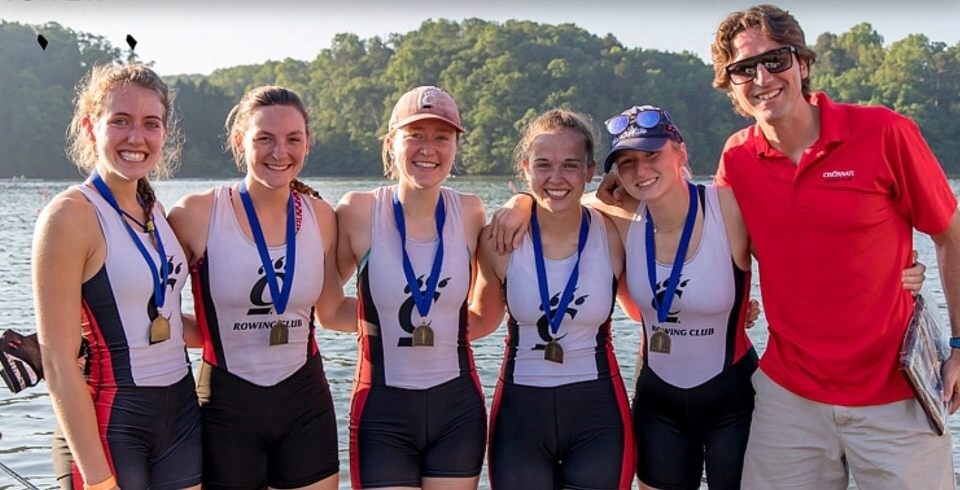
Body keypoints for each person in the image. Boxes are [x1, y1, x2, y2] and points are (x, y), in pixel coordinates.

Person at [709, 5, 960, 488]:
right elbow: (699, 221)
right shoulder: (737, 158)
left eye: (776, 59)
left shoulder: (884, 133)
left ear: (802, 64)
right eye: (743, 69)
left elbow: (951, 235)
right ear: (732, 88)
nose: (762, 77)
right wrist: (537, 203)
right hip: (790, 401)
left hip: (898, 397)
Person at [168, 86, 353, 489]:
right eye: (264, 139)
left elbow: (332, 311)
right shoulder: (195, 214)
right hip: (227, 406)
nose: (279, 152)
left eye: (293, 140)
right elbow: (150, 303)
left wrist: (433, 315)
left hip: (305, 403)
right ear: (240, 142)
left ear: (307, 144)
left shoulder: (321, 216)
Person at [34, 63, 201, 490]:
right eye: (120, 121)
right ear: (91, 128)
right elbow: (57, 362)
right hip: (110, 426)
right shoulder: (70, 216)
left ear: (165, 134)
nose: (136, 138)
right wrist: (97, 476)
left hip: (180, 415)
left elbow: (157, 315)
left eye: (151, 124)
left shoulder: (155, 211)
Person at [470, 108, 635, 489]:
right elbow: (480, 320)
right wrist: (382, 319)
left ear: (590, 172)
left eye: (570, 166)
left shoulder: (615, 233)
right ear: (526, 168)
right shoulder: (498, 241)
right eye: (543, 165)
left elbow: (652, 300)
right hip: (520, 419)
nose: (556, 178)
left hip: (599, 416)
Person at [336, 86, 487, 490]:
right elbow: (327, 310)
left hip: (457, 409)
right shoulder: (358, 211)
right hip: (382, 409)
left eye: (442, 137)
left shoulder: (471, 212)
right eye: (415, 135)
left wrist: (524, 201)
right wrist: (383, 324)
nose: (428, 148)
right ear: (391, 144)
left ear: (456, 145)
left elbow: (486, 315)